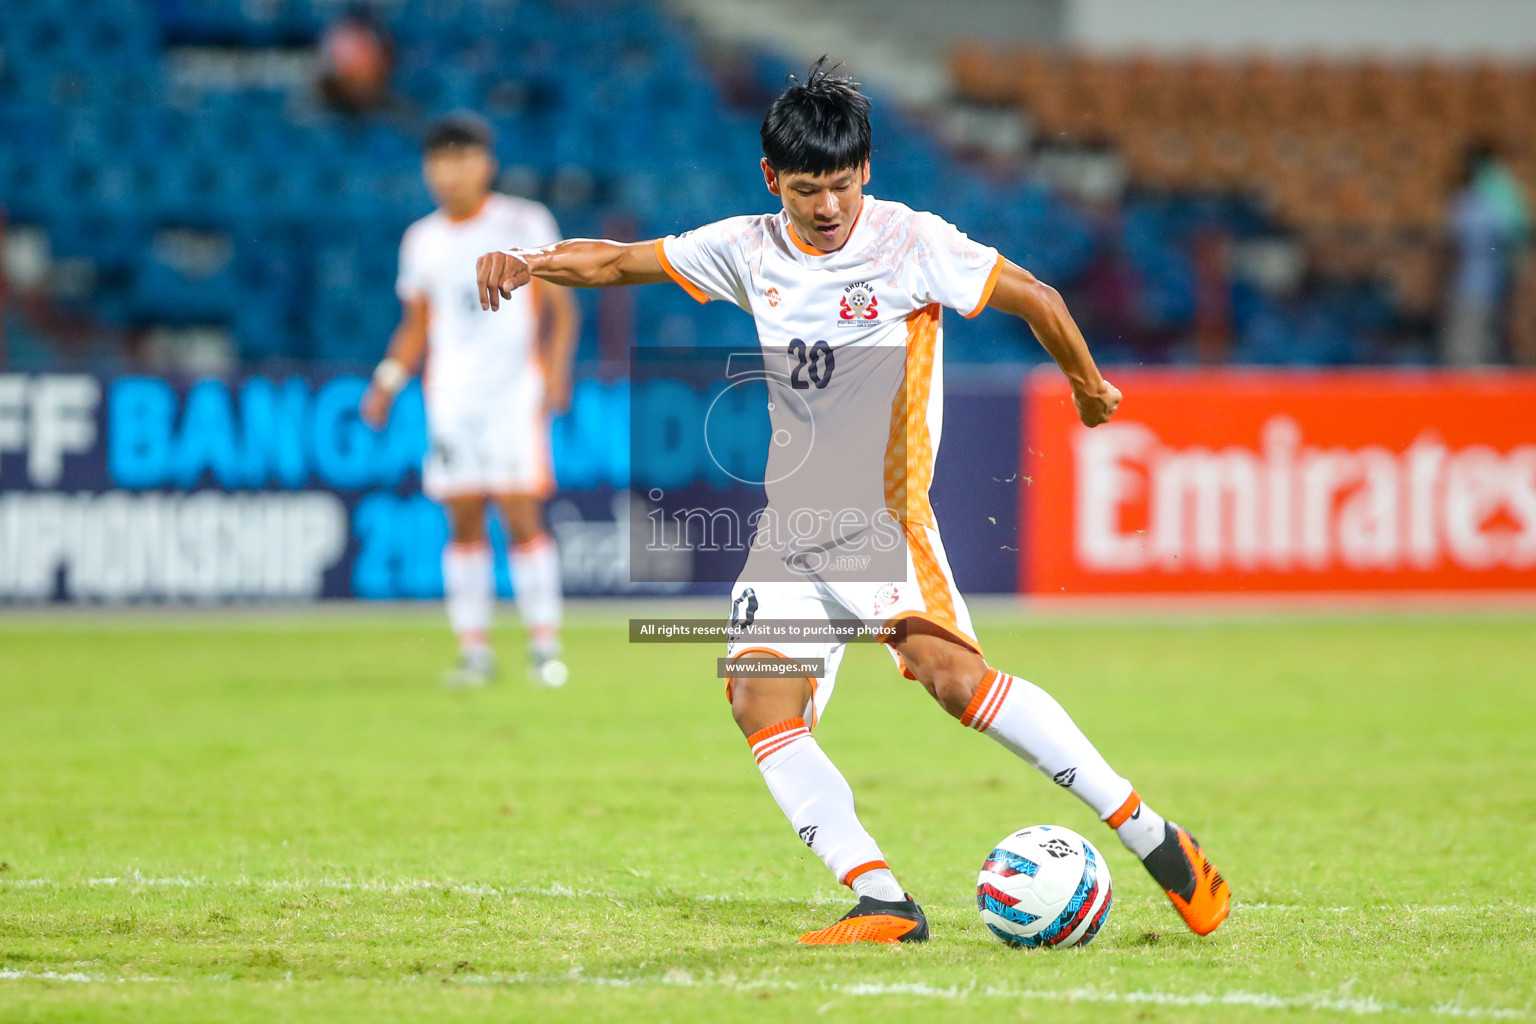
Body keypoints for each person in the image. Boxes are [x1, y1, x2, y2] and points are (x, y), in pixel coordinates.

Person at [473, 62, 1229, 944]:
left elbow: (1037, 296)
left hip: (880, 514)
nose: (827, 207)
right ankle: (883, 901)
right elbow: (611, 262)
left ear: (865, 171)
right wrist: (525, 261)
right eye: (806, 190)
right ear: (772, 181)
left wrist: (1089, 387)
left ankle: (1158, 841)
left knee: (954, 683)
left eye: (840, 185)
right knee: (758, 703)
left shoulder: (912, 241)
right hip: (793, 523)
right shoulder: (749, 247)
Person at [363, 113, 579, 688]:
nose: (450, 172)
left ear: (486, 163)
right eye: (439, 161)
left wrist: (556, 374)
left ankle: (543, 646)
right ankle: (474, 650)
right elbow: (415, 325)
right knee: (461, 518)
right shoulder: (422, 239)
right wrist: (387, 380)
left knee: (518, 510)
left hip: (513, 392)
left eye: (461, 159)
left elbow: (562, 307)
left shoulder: (523, 220)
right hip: (451, 398)